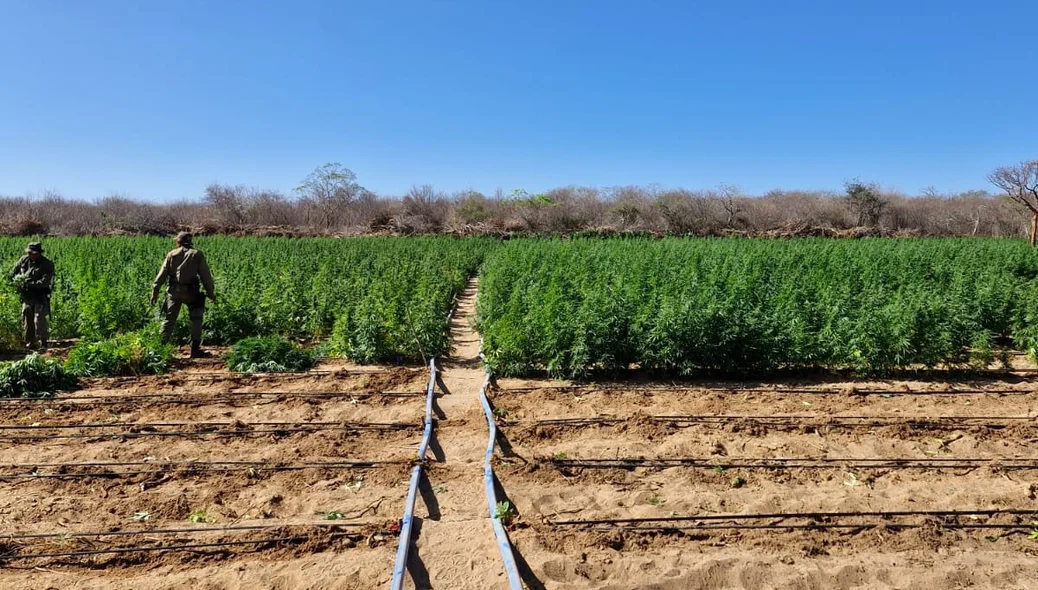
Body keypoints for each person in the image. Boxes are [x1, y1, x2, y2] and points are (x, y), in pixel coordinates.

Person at [151, 232, 216, 357]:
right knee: (196, 319)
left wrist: (155, 291)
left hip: (173, 292)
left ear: (178, 242)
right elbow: (206, 277)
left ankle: (160, 349)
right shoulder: (197, 254)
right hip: (191, 292)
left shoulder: (171, 254)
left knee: (169, 320)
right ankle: (195, 350)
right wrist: (210, 293)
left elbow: (161, 275)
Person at [10, 242, 55, 352]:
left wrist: (29, 284)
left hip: (40, 296)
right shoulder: (24, 260)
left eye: (33, 253)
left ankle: (43, 343)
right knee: (27, 319)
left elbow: (44, 282)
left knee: (39, 320)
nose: (31, 255)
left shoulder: (47, 264)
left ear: (39, 253)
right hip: (27, 296)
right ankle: (30, 343)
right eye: (29, 253)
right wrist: (16, 281)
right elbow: (13, 273)